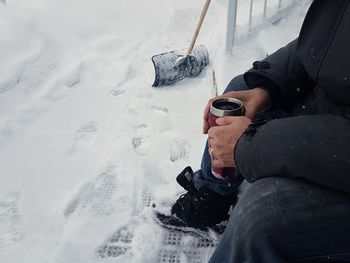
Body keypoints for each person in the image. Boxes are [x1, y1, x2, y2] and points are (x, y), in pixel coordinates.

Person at [157, 0, 350, 262]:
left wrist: (251, 145)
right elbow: (321, 44)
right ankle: (211, 202)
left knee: (261, 217)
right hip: (325, 108)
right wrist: (266, 88)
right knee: (238, 95)